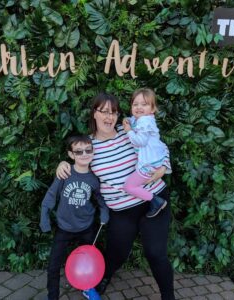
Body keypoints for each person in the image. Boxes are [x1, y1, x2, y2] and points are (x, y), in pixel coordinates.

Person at [56, 92, 176, 300]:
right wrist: (63, 164)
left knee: (156, 253)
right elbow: (77, 164)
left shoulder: (130, 130)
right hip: (122, 211)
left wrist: (164, 167)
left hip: (154, 202)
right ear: (94, 113)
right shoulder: (89, 146)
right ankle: (100, 281)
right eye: (103, 111)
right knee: (116, 253)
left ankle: (169, 297)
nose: (109, 117)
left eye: (113, 112)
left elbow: (160, 146)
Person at [40, 135, 109, 300]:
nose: (84, 154)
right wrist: (44, 218)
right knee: (54, 266)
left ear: (93, 151)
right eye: (79, 151)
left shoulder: (94, 179)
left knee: (89, 262)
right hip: (64, 228)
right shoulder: (64, 172)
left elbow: (100, 199)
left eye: (88, 150)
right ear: (71, 155)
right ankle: (53, 296)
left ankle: (88, 287)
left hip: (86, 227)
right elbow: (51, 195)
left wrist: (105, 213)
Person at [122, 88, 171, 218]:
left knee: (129, 186)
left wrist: (128, 130)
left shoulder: (145, 122)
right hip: (153, 161)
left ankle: (156, 201)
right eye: (135, 104)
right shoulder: (145, 119)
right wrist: (127, 120)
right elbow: (134, 120)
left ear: (153, 108)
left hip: (149, 165)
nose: (139, 107)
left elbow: (140, 141)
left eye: (144, 104)